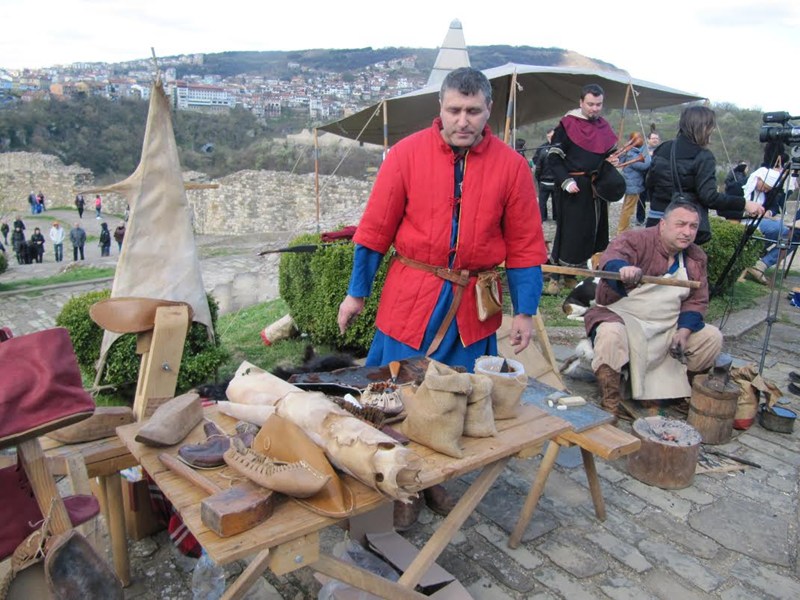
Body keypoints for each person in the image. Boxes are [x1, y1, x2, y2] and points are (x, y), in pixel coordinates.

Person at [336, 67, 547, 529]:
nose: (463, 120)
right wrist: (356, 294)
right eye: (454, 110)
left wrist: (525, 311)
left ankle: (433, 478)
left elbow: (525, 246)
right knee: (393, 397)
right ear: (441, 108)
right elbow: (374, 231)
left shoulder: (512, 167)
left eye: (473, 111)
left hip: (472, 306)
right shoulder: (405, 155)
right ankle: (395, 480)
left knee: (456, 399)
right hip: (411, 297)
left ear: (489, 110)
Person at [584, 199, 724, 418]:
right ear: (663, 224)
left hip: (667, 325)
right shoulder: (635, 240)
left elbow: (697, 301)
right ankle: (610, 403)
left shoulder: (695, 257)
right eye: (681, 224)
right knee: (610, 334)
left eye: (693, 226)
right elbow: (611, 259)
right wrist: (623, 270)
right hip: (624, 318)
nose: (687, 232)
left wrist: (684, 331)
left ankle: (682, 397)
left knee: (711, 337)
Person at [644, 106, 763, 245]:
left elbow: (649, 183)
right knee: (682, 260)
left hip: (656, 221)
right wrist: (744, 203)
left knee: (653, 258)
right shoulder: (703, 156)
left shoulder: (663, 148)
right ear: (704, 128)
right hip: (682, 227)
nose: (713, 130)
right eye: (711, 126)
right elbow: (709, 197)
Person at [544, 83, 623, 295]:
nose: (595, 108)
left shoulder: (603, 126)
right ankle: (556, 276)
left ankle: (577, 275)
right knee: (569, 233)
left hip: (597, 188)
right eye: (590, 104)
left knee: (593, 233)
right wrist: (566, 181)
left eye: (598, 104)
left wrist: (612, 160)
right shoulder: (567, 124)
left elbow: (606, 155)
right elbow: (554, 158)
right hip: (573, 188)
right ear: (581, 102)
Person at [741, 154, 800, 285]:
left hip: (761, 220)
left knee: (790, 235)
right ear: (759, 179)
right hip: (745, 220)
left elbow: (774, 206)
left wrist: (769, 212)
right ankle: (760, 260)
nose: (766, 190)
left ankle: (760, 259)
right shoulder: (739, 186)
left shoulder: (765, 192)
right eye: (765, 186)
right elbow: (726, 208)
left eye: (768, 188)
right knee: (786, 232)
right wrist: (746, 210)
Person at [616, 131, 652, 234]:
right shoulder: (632, 154)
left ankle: (623, 228)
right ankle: (622, 230)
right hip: (633, 185)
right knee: (628, 209)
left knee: (627, 208)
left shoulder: (630, 152)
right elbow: (644, 165)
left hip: (631, 184)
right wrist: (648, 155)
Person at [636, 131, 661, 225]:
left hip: (656, 178)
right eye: (653, 138)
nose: (655, 140)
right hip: (643, 177)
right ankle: (640, 219)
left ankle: (654, 219)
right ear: (648, 139)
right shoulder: (642, 149)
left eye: (657, 138)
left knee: (655, 199)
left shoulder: (661, 150)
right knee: (641, 199)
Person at [533, 128, 557, 222]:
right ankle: (543, 217)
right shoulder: (541, 148)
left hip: (556, 180)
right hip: (544, 179)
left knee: (556, 201)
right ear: (547, 137)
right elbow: (536, 161)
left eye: (553, 136)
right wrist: (538, 177)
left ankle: (556, 217)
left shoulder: (560, 147)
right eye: (549, 136)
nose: (551, 138)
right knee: (542, 202)